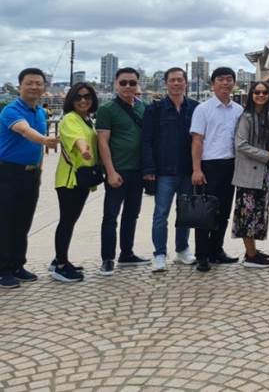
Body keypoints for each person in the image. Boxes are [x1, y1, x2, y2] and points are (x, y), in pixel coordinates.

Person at [0, 68, 57, 288]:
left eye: (38, 83)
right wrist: (45, 140)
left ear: (44, 88)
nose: (34, 87)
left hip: (30, 174)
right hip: (6, 173)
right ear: (20, 86)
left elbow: (35, 148)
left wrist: (39, 169)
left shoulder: (39, 112)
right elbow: (24, 131)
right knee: (3, 223)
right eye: (29, 83)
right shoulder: (11, 110)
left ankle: (18, 265)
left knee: (22, 222)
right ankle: (2, 271)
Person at [142, 67, 198, 272]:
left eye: (179, 80)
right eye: (172, 80)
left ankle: (182, 249)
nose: (176, 83)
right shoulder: (154, 109)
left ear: (186, 83)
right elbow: (146, 141)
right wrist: (149, 169)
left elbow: (199, 140)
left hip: (187, 170)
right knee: (160, 214)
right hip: (164, 170)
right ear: (166, 84)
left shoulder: (194, 107)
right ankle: (159, 253)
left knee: (185, 214)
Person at [190, 67, 244, 272]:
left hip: (230, 165)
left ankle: (216, 250)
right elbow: (197, 140)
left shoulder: (238, 110)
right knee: (205, 212)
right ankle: (202, 255)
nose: (225, 83)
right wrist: (196, 169)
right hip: (208, 166)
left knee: (223, 212)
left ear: (234, 83)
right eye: (221, 79)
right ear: (213, 84)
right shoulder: (203, 110)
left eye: (229, 79)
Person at [97, 67, 149, 275]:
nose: (128, 86)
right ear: (116, 84)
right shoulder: (107, 109)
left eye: (132, 83)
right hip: (118, 169)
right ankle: (107, 257)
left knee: (132, 214)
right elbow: (102, 141)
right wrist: (110, 171)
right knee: (111, 215)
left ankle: (126, 252)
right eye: (124, 83)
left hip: (138, 170)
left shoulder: (143, 107)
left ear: (138, 85)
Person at [50, 82, 99, 283]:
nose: (83, 100)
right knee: (67, 221)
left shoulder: (87, 119)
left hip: (82, 177)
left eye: (87, 96)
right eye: (78, 97)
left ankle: (59, 259)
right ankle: (61, 265)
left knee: (71, 219)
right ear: (71, 99)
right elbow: (77, 138)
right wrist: (84, 148)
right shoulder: (70, 119)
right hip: (70, 179)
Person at [233, 81, 269, 268]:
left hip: (265, 173)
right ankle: (251, 256)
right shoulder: (246, 117)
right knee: (247, 213)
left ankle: (251, 251)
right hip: (249, 172)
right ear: (251, 95)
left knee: (259, 213)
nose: (260, 95)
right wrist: (267, 155)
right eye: (256, 92)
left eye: (264, 92)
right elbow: (241, 144)